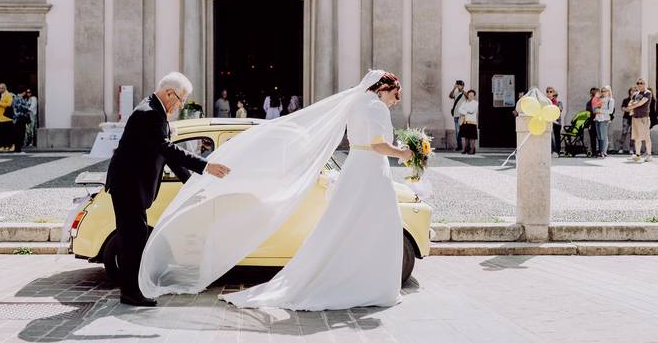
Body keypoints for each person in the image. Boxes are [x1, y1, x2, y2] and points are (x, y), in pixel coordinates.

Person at [221, 71, 412, 310]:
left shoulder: (356, 104)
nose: (396, 101)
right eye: (396, 95)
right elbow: (378, 144)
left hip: (356, 167)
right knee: (380, 226)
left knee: (347, 224)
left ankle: (353, 279)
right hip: (372, 171)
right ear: (382, 89)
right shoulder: (375, 107)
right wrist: (403, 153)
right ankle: (370, 284)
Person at [105, 72, 231, 306]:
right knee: (133, 238)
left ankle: (132, 289)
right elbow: (168, 149)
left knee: (136, 236)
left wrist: (191, 182)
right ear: (169, 93)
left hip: (131, 186)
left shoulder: (156, 111)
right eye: (181, 99)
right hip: (128, 186)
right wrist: (206, 166)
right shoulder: (149, 114)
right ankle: (130, 292)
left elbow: (167, 155)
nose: (181, 105)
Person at [626, 78, 653, 163]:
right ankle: (637, 155)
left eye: (641, 83)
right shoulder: (635, 93)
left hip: (643, 118)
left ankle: (649, 155)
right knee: (637, 137)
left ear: (645, 84)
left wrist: (632, 106)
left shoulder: (647, 93)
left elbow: (642, 102)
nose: (639, 85)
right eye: (638, 83)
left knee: (646, 137)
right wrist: (632, 105)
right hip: (635, 117)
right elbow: (630, 102)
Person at [594, 86, 615, 158]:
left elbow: (610, 111)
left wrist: (600, 111)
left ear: (609, 91)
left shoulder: (610, 100)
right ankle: (600, 151)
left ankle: (604, 151)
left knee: (604, 136)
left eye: (605, 91)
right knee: (599, 136)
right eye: (602, 91)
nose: (603, 92)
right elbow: (594, 107)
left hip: (604, 119)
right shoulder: (599, 99)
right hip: (597, 118)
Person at [456, 89, 479, 155]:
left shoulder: (475, 103)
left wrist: (464, 110)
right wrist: (466, 111)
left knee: (472, 137)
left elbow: (471, 111)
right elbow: (459, 109)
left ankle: (472, 149)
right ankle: (465, 149)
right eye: (469, 95)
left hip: (472, 122)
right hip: (464, 121)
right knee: (465, 137)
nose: (470, 96)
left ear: (474, 96)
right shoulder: (464, 102)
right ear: (467, 95)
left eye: (472, 95)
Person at [0, 83, 15, 152]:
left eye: (2, 88)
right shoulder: (1, 95)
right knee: (2, 133)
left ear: (5, 88)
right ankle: (4, 146)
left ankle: (11, 145)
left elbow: (9, 104)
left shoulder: (9, 95)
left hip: (6, 117)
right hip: (0, 117)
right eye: (0, 88)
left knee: (8, 133)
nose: (1, 89)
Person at [448, 80, 465, 151]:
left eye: (460, 85)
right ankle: (459, 146)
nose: (459, 86)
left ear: (463, 86)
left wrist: (462, 90)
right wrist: (454, 88)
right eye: (458, 85)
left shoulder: (465, 93)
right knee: (457, 132)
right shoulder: (456, 93)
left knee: (463, 131)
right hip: (456, 115)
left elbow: (468, 97)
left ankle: (467, 146)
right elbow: (450, 96)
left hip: (462, 115)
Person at [546, 87, 563, 156]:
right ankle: (552, 151)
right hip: (549, 121)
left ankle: (557, 151)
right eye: (547, 91)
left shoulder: (558, 102)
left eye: (551, 92)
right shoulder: (546, 102)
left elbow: (560, 110)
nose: (549, 93)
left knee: (556, 137)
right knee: (550, 137)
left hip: (556, 122)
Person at [618, 87, 635, 154]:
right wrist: (629, 109)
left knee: (632, 134)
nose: (633, 92)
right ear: (630, 92)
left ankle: (631, 148)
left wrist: (629, 109)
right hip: (626, 118)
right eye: (632, 91)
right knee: (624, 132)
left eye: (635, 91)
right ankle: (621, 147)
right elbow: (623, 108)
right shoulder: (626, 100)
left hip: (634, 118)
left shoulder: (637, 100)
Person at [585, 87, 601, 156]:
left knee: (600, 137)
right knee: (593, 137)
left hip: (600, 121)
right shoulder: (589, 103)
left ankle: (601, 151)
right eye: (592, 94)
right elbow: (589, 112)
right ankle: (594, 151)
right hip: (592, 122)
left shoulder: (601, 101)